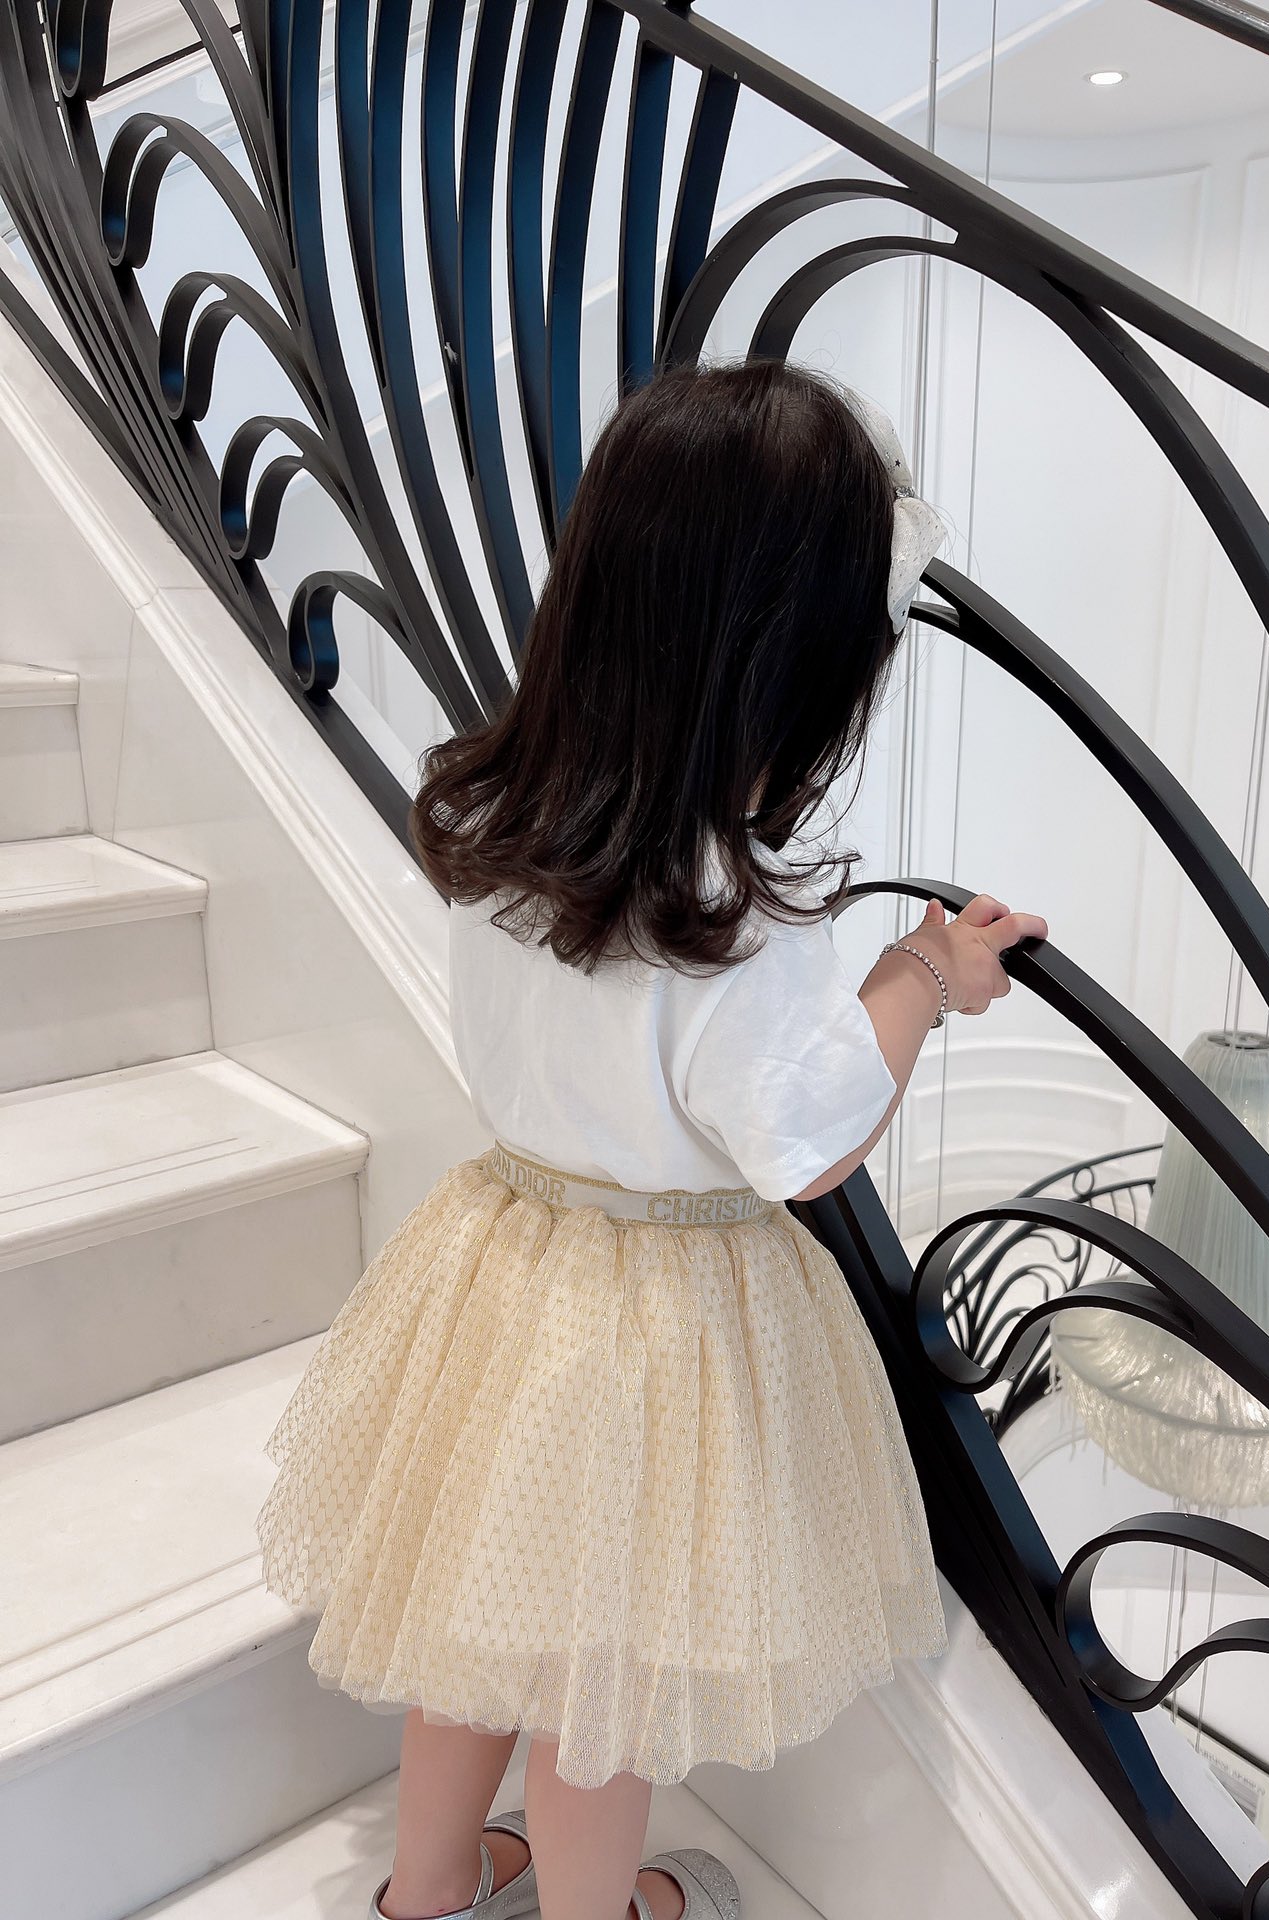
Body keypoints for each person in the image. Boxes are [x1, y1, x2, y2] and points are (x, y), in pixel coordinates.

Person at [255, 358, 1047, 1920]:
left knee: (468, 1631)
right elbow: (807, 1143)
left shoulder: (493, 819)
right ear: (789, 669)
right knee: (599, 1692)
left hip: (501, 1265)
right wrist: (921, 976)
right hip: (652, 1333)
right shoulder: (727, 906)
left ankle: (425, 1890)